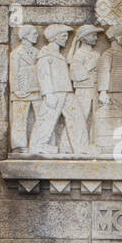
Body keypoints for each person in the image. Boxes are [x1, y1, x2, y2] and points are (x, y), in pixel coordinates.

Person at [28, 24, 91, 156]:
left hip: (66, 91)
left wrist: (75, 42)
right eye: (63, 36)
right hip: (54, 93)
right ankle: (37, 145)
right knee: (46, 119)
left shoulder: (58, 54)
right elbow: (43, 75)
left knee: (76, 117)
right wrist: (48, 93)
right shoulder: (45, 54)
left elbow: (70, 60)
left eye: (67, 36)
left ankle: (81, 147)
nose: (66, 39)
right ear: (55, 38)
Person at [8, 23, 40, 154]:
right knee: (20, 119)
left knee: (40, 117)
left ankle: (39, 144)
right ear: (25, 36)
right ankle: (19, 146)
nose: (37, 36)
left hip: (37, 90)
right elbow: (13, 73)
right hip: (22, 91)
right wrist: (16, 90)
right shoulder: (16, 53)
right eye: (34, 34)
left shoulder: (38, 52)